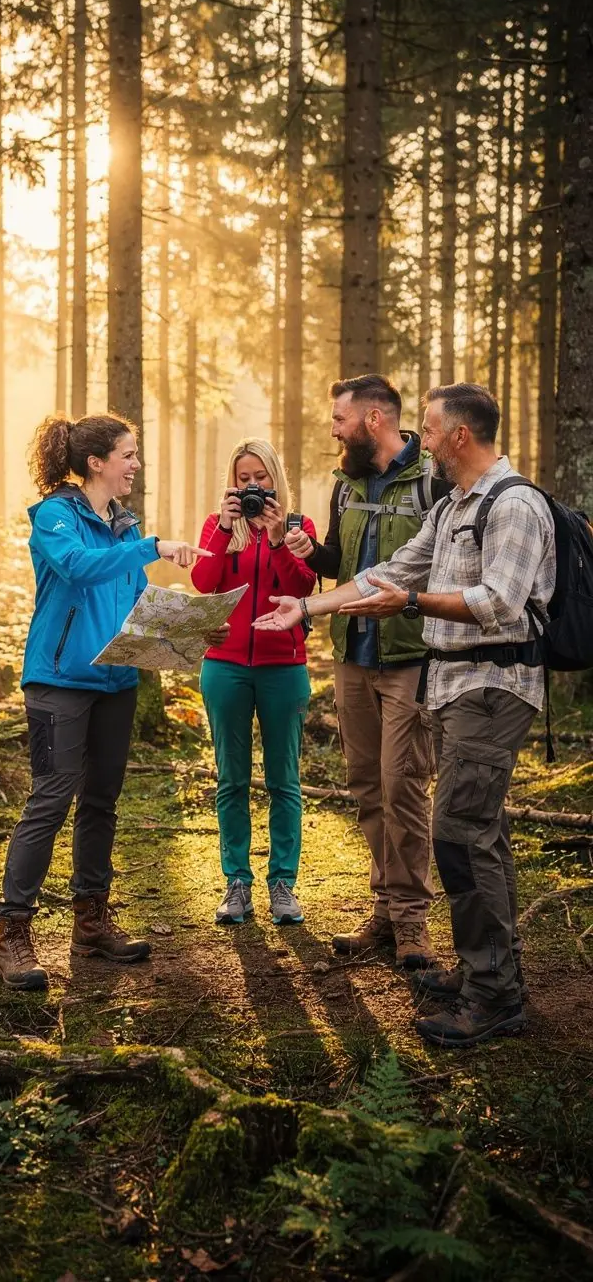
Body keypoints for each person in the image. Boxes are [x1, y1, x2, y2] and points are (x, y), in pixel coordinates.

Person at [256, 384, 556, 1048]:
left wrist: (413, 604)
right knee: (483, 834)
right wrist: (306, 609)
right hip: (452, 689)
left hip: (494, 686)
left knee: (456, 833)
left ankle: (493, 998)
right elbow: (388, 571)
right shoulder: (452, 507)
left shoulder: (516, 506)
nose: (422, 436)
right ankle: (494, 974)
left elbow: (501, 602)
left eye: (430, 427)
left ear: (458, 436)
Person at [0, 412, 214, 990]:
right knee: (51, 798)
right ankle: (14, 932)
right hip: (58, 681)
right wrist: (152, 546)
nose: (135, 465)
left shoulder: (122, 523)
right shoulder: (55, 516)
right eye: (128, 455)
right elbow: (77, 569)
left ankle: (91, 920)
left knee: (101, 801)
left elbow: (132, 598)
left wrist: (188, 625)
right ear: (96, 463)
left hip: (116, 682)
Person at [282, 375, 450, 971]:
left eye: (339, 418)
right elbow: (340, 560)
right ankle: (384, 912)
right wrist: (311, 554)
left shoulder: (433, 479)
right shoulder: (344, 484)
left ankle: (411, 923)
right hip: (352, 654)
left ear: (374, 419)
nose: (333, 427)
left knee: (403, 789)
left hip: (411, 656)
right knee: (366, 788)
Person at [192, 438, 318, 926]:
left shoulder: (296, 527)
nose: (251, 486)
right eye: (243, 478)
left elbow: (303, 588)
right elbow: (204, 584)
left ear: (274, 479)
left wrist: (279, 539)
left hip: (284, 667)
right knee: (232, 779)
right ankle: (237, 883)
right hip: (224, 666)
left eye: (259, 477)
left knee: (284, 779)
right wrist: (225, 529)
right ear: (233, 481)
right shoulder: (217, 525)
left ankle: (283, 884)